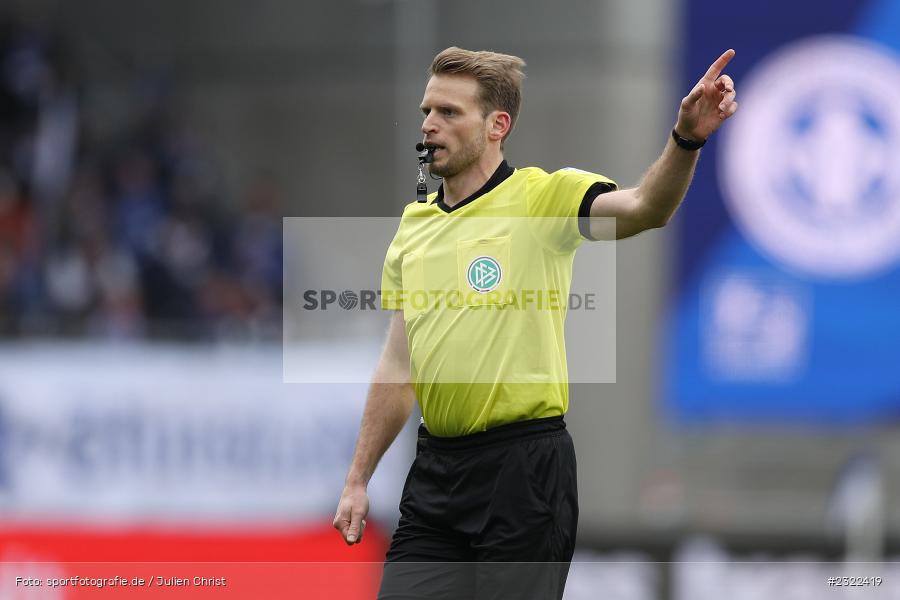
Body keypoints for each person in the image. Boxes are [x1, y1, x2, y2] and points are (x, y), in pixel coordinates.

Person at [334, 46, 738, 599]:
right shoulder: (415, 225)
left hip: (523, 469)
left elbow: (647, 207)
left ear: (497, 125)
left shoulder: (544, 197)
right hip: (436, 474)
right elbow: (398, 365)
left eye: (449, 112)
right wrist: (359, 479)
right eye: (428, 110)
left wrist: (687, 139)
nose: (430, 123)